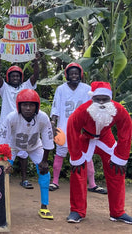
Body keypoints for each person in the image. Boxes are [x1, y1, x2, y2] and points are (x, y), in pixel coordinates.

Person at [66, 81, 132, 225]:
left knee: (117, 170)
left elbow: (125, 129)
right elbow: (72, 128)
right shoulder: (83, 111)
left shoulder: (119, 110)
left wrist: (121, 156)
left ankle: (118, 212)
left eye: (104, 99)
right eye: (97, 99)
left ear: (110, 99)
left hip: (106, 138)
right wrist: (76, 155)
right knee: (78, 170)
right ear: (92, 98)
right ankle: (77, 210)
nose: (101, 102)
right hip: (86, 138)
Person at [49, 63, 106, 194]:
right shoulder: (61, 89)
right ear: (67, 75)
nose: (74, 75)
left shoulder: (87, 89)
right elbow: (55, 108)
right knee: (60, 154)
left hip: (82, 129)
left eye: (76, 73)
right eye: (71, 73)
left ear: (80, 74)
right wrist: (52, 123)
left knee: (87, 155)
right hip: (63, 128)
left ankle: (92, 184)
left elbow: (93, 108)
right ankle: (55, 181)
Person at [0, 89, 54, 220]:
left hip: (35, 146)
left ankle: (44, 207)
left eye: (31, 105)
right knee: (1, 172)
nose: (28, 108)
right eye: (24, 105)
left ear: (37, 106)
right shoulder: (11, 117)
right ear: (19, 105)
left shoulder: (42, 117)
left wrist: (44, 161)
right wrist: (5, 161)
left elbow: (47, 139)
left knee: (45, 173)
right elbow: (3, 142)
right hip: (13, 146)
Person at [0, 52, 40, 189]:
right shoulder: (4, 88)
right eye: (13, 76)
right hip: (6, 125)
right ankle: (1, 180)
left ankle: (24, 179)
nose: (15, 78)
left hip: (22, 125)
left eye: (18, 76)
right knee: (4, 152)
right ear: (9, 77)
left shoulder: (26, 86)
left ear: (21, 77)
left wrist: (36, 61)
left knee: (24, 153)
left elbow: (36, 76)